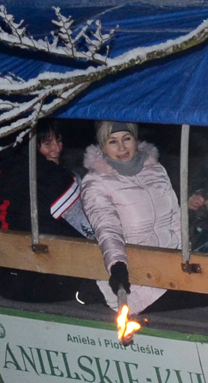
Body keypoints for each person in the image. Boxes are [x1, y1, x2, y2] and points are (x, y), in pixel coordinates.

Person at [76, 121, 182, 312]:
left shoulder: (155, 170)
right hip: (134, 276)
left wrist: (185, 257)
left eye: (126, 139)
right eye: (113, 142)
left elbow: (176, 218)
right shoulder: (96, 183)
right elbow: (107, 228)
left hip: (170, 269)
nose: (122, 148)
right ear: (102, 146)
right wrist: (117, 265)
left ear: (135, 140)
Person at [0, 121, 95, 303]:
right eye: (47, 143)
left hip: (5, 279)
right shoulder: (55, 179)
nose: (57, 149)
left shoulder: (4, 173)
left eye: (58, 140)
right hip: (44, 280)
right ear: (30, 147)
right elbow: (87, 230)